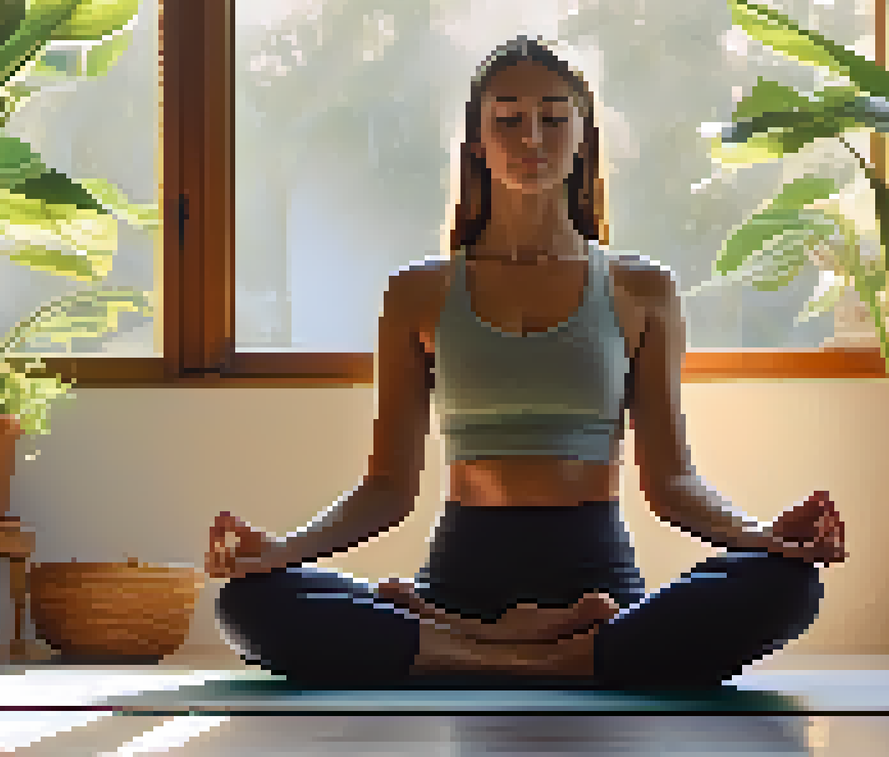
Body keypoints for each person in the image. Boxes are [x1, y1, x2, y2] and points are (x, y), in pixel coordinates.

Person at [206, 35, 847, 689]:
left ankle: (467, 654)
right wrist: (281, 552)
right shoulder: (417, 293)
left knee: (787, 586)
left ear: (583, 135)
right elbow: (387, 490)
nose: (531, 137)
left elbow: (673, 483)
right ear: (477, 144)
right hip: (458, 586)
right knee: (250, 602)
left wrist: (764, 539)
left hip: (595, 586)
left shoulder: (640, 289)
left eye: (553, 117)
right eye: (507, 120)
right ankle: (551, 657)